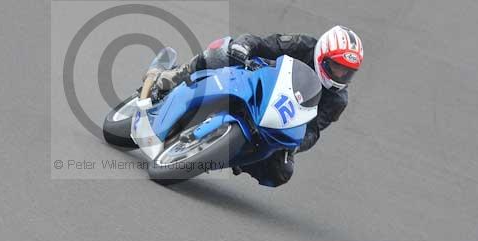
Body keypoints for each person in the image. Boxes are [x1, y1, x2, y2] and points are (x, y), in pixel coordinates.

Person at [154, 26, 364, 187]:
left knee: (281, 170)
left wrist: (296, 146)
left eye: (347, 71)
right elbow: (262, 44)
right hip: (256, 81)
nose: (340, 74)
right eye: (337, 66)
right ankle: (177, 75)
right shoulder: (302, 45)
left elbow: (314, 129)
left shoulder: (337, 100)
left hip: (278, 118)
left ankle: (230, 156)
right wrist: (243, 47)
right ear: (322, 55)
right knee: (223, 50)